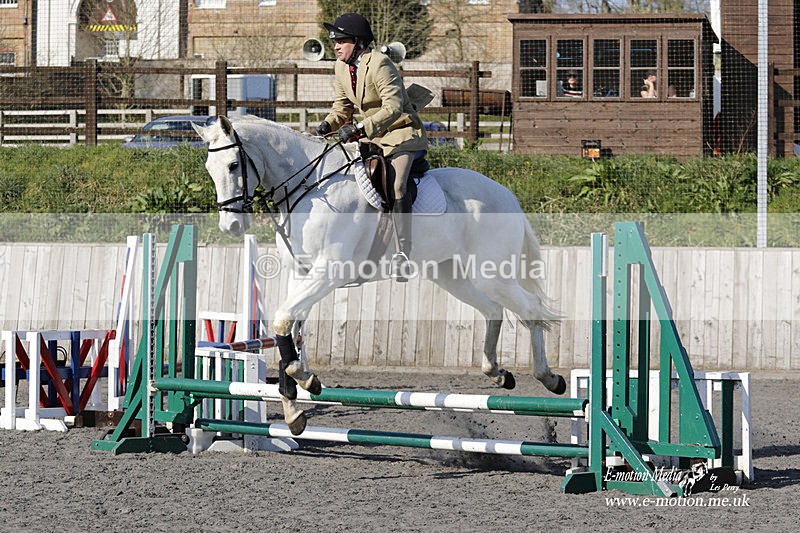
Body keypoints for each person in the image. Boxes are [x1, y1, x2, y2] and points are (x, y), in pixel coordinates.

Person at [315, 12, 428, 282]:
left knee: (398, 184)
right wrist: (326, 125)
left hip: (401, 133)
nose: (336, 46)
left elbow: (394, 107)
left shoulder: (380, 63)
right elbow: (342, 108)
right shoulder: (341, 67)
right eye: (335, 41)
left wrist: (361, 128)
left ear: (358, 42)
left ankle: (403, 253)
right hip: (372, 136)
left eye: (341, 40)